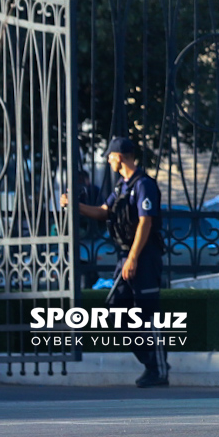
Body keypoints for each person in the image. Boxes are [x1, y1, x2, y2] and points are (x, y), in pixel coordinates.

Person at [63, 137, 168, 386]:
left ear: (118, 157)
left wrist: (133, 257)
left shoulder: (144, 185)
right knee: (114, 312)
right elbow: (103, 211)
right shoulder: (122, 186)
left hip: (144, 257)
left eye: (110, 156)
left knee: (148, 314)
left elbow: (146, 222)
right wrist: (75, 206)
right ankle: (149, 362)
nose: (108, 160)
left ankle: (159, 370)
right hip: (126, 258)